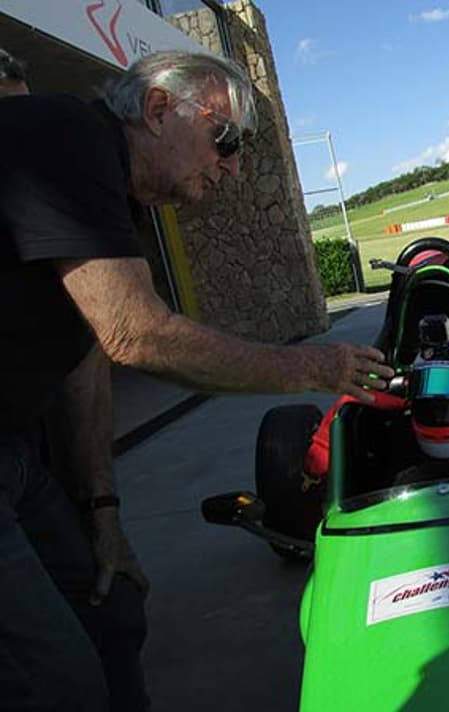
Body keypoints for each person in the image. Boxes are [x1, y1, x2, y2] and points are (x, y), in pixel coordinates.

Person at [0, 50, 392, 712]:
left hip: (15, 450)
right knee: (57, 683)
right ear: (159, 109)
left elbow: (89, 354)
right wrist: (318, 365)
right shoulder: (68, 136)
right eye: (226, 139)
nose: (234, 167)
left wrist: (102, 511)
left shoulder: (108, 191)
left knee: (114, 611)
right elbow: (134, 333)